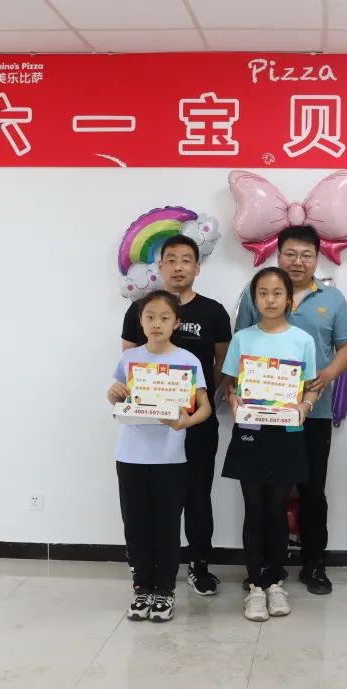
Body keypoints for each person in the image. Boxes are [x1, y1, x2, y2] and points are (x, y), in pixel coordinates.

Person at [235, 225, 347, 594]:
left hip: (312, 413)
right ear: (278, 255)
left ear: (317, 258)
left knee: (312, 490)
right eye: (290, 253)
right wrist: (236, 393)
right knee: (262, 492)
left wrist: (327, 375)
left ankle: (314, 564)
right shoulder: (256, 293)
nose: (298, 261)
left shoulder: (331, 298)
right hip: (262, 414)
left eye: (306, 255)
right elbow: (240, 346)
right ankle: (263, 566)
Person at [121, 235, 232, 596]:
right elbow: (130, 362)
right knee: (151, 503)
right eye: (171, 259)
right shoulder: (140, 309)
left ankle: (198, 564)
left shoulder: (213, 312)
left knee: (197, 495)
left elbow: (222, 362)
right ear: (160, 267)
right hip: (151, 428)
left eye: (186, 260)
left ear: (197, 267)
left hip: (197, 422)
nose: (179, 267)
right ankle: (148, 571)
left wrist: (195, 400)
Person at [107, 291, 212, 623]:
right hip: (131, 457)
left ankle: (165, 590)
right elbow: (119, 399)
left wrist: (185, 422)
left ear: (176, 322)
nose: (156, 323)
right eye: (149, 317)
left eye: (165, 317)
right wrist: (113, 394)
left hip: (170, 459)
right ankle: (143, 589)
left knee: (167, 527)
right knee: (136, 527)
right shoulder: (130, 359)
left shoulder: (187, 360)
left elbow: (205, 407)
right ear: (140, 322)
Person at [221, 268, 320, 622]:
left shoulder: (302, 340)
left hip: (287, 433)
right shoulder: (242, 339)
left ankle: (276, 581)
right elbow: (231, 385)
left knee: (278, 508)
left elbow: (311, 387)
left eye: (277, 293)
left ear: (288, 300)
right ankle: (255, 586)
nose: (270, 299)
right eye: (262, 293)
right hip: (251, 431)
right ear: (254, 299)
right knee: (254, 509)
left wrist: (305, 406)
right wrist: (233, 400)